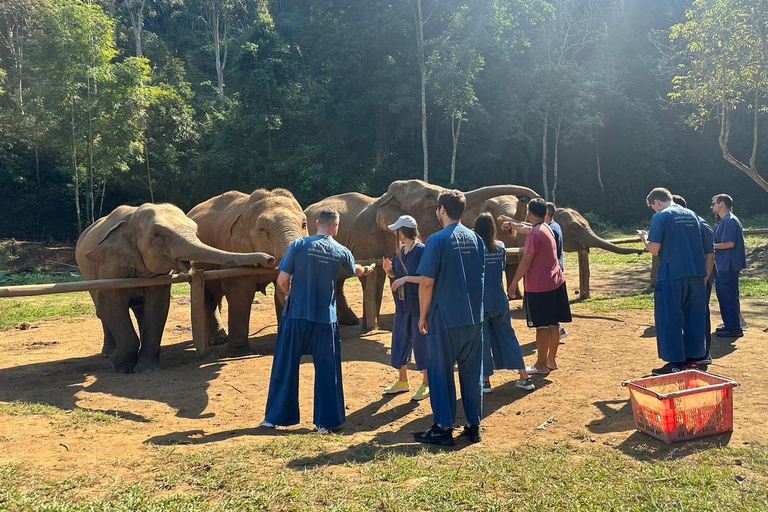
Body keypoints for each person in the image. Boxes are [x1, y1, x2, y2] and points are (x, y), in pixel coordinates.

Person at [261, 208, 374, 433]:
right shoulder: (341, 250)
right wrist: (368, 269)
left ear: (316, 224)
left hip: (295, 318)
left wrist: (289, 295)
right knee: (327, 370)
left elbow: (282, 280)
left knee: (285, 366)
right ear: (336, 226)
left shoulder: (299, 246)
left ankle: (274, 418)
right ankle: (326, 422)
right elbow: (354, 271)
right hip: (325, 320)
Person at [414, 190, 485, 446]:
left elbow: (426, 282)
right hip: (474, 318)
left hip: (444, 317)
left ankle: (443, 427)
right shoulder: (476, 239)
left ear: (441, 210)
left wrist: (422, 316)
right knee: (472, 373)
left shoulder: (436, 240)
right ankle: (473, 425)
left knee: (440, 373)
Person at [638, 188, 706, 375]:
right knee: (694, 317)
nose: (654, 210)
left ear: (657, 203)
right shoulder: (692, 214)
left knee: (669, 318)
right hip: (696, 274)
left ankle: (675, 362)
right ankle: (693, 359)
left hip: (672, 275)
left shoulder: (661, 217)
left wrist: (644, 237)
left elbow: (654, 249)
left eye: (653, 207)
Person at [507, 198, 572, 375]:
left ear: (529, 213)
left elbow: (526, 260)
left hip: (540, 287)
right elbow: (526, 228)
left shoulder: (535, 234)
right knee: (553, 324)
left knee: (541, 327)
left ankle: (541, 364)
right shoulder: (547, 228)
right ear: (545, 213)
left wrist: (513, 283)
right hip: (556, 283)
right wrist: (512, 225)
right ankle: (551, 360)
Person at [473, 213, 534, 393]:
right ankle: (524, 377)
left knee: (482, 340)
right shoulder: (500, 247)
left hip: (481, 301)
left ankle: (485, 382)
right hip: (500, 300)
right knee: (508, 336)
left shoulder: (475, 248)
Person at [381, 215, 429, 401]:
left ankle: (426, 383)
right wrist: (389, 271)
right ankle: (403, 381)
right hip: (402, 305)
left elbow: (426, 279)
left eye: (398, 230)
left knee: (421, 343)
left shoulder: (422, 250)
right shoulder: (400, 251)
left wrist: (406, 279)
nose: (395, 233)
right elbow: (396, 275)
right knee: (400, 340)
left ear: (404, 231)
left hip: (418, 304)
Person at [672, 194, 716, 365]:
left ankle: (703, 354)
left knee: (700, 313)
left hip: (702, 277)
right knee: (688, 314)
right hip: (690, 277)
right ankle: (691, 351)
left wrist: (704, 279)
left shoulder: (701, 225)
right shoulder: (684, 226)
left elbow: (710, 256)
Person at [711, 194, 747, 339]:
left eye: (713, 203)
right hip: (725, 265)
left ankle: (733, 327)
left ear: (722, 204)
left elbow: (729, 244)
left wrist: (709, 246)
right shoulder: (725, 221)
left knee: (728, 296)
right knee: (727, 296)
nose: (712, 206)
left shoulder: (729, 221)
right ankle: (731, 325)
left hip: (728, 265)